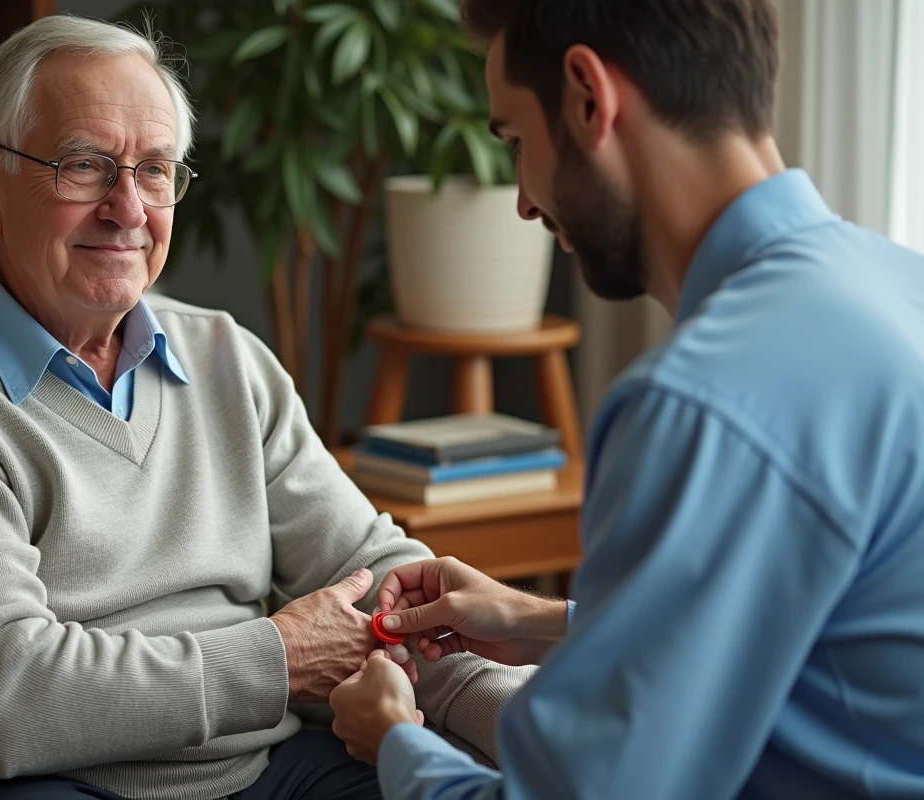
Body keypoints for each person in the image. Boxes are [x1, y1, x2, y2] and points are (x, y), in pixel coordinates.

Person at [0, 15, 529, 800]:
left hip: (262, 770)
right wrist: (279, 659)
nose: (128, 210)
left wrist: (540, 722)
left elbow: (371, 576)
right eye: (85, 166)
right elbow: (8, 699)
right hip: (26, 782)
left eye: (154, 170)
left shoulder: (227, 356)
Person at [327, 0, 924, 798]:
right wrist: (541, 622)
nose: (524, 201)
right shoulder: (900, 287)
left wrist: (395, 740)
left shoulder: (700, 402)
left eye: (516, 141)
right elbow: (814, 637)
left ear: (587, 97)